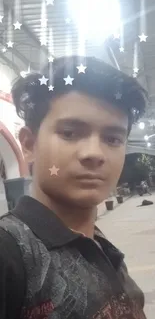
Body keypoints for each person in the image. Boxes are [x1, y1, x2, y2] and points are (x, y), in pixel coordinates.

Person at [0, 56, 147, 319]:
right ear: (29, 144)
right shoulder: (10, 254)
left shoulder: (99, 244)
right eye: (69, 133)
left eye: (112, 138)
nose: (94, 153)